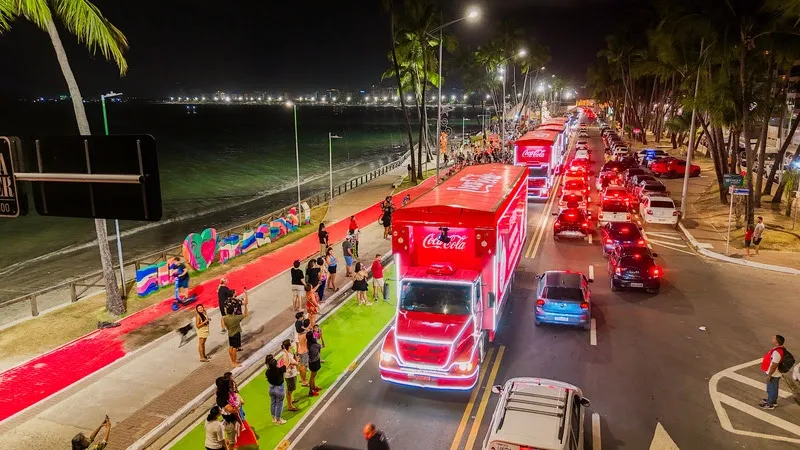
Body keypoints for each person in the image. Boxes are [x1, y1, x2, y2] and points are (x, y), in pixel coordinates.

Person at [222, 293, 249, 368]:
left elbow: (226, 326)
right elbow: (246, 314)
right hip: (236, 334)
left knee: (231, 347)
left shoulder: (225, 318)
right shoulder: (235, 317)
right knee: (234, 348)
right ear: (233, 311)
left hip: (230, 333)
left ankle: (232, 360)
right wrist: (246, 306)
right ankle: (234, 362)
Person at [760, 335, 787, 410]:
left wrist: (769, 375)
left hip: (774, 374)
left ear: (777, 343)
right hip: (774, 373)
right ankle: (771, 400)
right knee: (771, 388)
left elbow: (774, 365)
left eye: (774, 338)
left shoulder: (777, 352)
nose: (772, 339)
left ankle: (770, 404)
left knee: (772, 388)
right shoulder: (779, 349)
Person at [265, 354, 288, 424]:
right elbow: (286, 363)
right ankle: (278, 420)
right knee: (279, 404)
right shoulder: (280, 370)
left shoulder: (267, 372)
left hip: (271, 388)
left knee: (273, 402)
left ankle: (273, 418)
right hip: (279, 388)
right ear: (275, 365)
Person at [279, 339, 300, 411]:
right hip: (290, 375)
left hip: (290, 373)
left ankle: (291, 400)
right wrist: (297, 359)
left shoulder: (286, 352)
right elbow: (295, 363)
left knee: (291, 389)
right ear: (289, 346)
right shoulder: (287, 354)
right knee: (290, 390)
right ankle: (290, 406)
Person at [307, 328, 323, 397]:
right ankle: (311, 391)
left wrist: (318, 333)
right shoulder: (315, 345)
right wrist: (320, 335)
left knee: (313, 376)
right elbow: (322, 346)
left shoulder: (309, 343)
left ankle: (314, 387)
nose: (314, 335)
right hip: (314, 362)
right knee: (312, 377)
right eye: (313, 335)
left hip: (311, 362)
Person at [296, 319, 310, 387]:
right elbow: (315, 337)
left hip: (299, 350)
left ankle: (302, 379)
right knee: (304, 367)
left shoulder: (299, 333)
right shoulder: (306, 334)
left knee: (300, 365)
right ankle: (304, 382)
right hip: (304, 351)